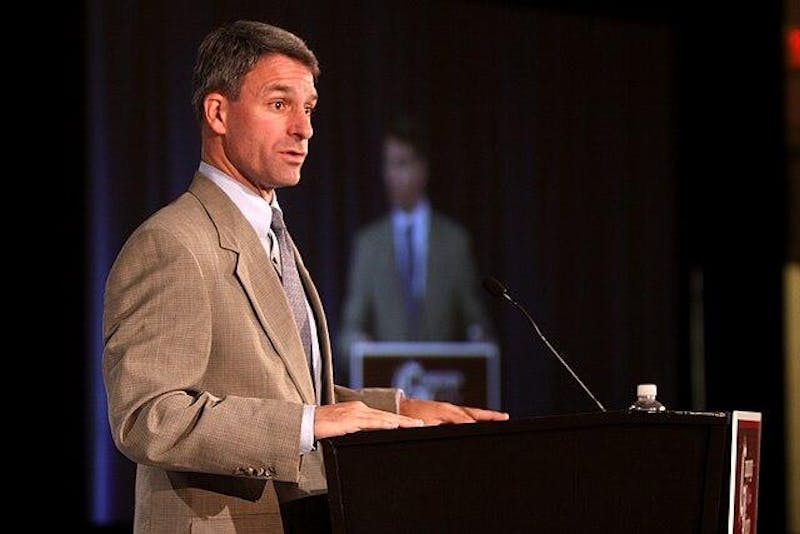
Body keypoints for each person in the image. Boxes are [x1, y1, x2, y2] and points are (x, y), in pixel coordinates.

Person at [102, 20, 508, 534]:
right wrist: (309, 423)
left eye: (309, 109)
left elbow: (288, 389)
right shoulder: (171, 243)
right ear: (218, 112)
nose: (304, 128)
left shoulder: (271, 234)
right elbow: (148, 417)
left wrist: (401, 411)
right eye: (279, 104)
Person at [338, 115, 493, 383]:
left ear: (422, 169)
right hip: (389, 387)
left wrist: (479, 338)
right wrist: (359, 346)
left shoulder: (454, 242)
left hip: (441, 387)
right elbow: (350, 329)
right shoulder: (368, 244)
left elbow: (475, 321)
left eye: (402, 164)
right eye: (388, 164)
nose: (391, 175)